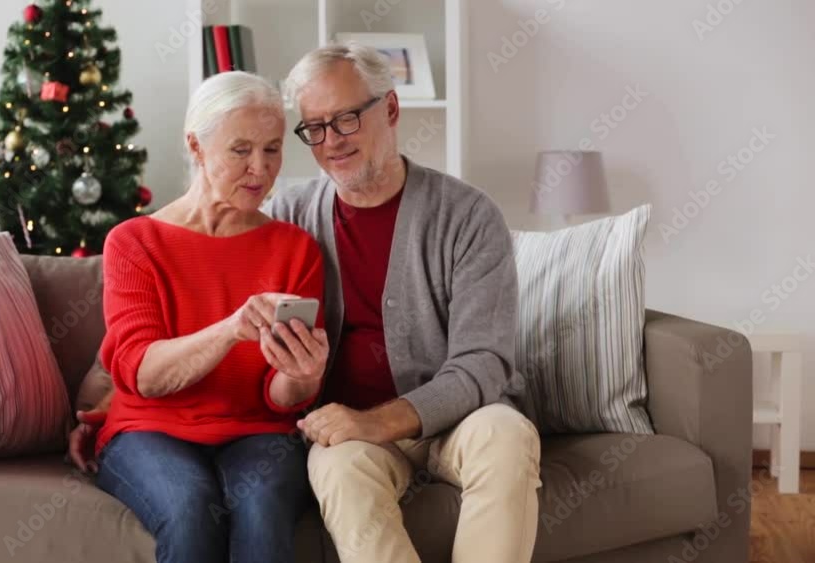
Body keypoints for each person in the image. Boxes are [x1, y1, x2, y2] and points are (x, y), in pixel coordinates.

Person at [73, 44, 541, 563]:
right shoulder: (292, 216)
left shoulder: (466, 217)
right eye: (314, 127)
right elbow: (154, 342)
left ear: (389, 110)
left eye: (345, 120)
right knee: (334, 471)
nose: (330, 142)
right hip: (347, 433)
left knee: (505, 435)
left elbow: (484, 363)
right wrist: (105, 399)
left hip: (452, 422)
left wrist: (375, 419)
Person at [90, 70, 330, 563]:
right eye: (240, 150)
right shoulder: (135, 243)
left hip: (260, 431)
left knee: (261, 508)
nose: (260, 169)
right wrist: (227, 331)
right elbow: (143, 375)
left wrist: (302, 376)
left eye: (272, 148)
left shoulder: (295, 249)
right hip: (147, 430)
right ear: (196, 147)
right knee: (189, 506)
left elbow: (281, 399)